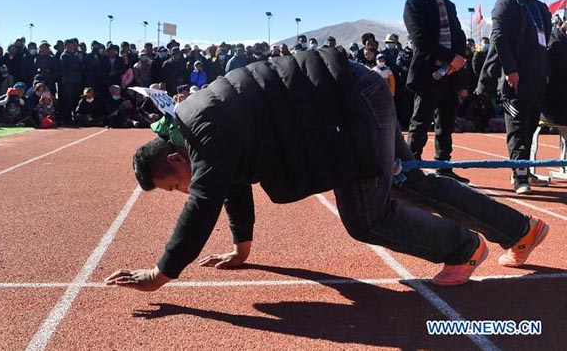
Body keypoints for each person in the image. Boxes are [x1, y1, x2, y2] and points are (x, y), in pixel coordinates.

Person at [105, 48, 548, 292]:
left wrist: (161, 273)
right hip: (351, 91)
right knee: (408, 181)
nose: (181, 192)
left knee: (366, 216)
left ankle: (463, 248)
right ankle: (520, 230)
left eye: (172, 187)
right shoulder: (197, 127)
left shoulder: (205, 131)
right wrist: (242, 248)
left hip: (348, 102)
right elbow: (231, 184)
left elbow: (204, 201)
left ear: (175, 160)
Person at [476, 0, 551, 194]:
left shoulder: (541, 9)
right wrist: (510, 70)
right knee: (517, 127)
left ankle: (525, 169)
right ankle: (519, 177)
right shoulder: (506, 3)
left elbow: (546, 43)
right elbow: (499, 38)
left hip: (536, 79)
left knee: (530, 127)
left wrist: (546, 71)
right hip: (513, 81)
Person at [403, 0, 469, 184]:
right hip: (427, 74)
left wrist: (458, 60)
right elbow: (421, 40)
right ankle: (410, 167)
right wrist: (451, 58)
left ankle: (443, 166)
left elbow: (459, 35)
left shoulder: (449, 6)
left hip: (450, 75)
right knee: (420, 121)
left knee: (446, 123)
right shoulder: (414, 4)